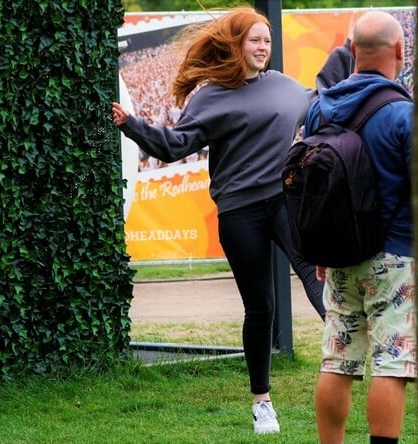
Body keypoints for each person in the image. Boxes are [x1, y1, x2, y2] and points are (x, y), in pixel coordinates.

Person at [112, 7, 354, 435]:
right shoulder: (210, 96)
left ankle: (345, 358)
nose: (263, 48)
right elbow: (173, 145)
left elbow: (323, 98)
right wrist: (132, 125)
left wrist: (349, 50)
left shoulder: (282, 87)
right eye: (255, 40)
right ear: (236, 44)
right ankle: (261, 402)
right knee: (260, 306)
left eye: (267, 41)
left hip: (283, 201)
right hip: (239, 212)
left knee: (317, 277)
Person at [307, 11, 415, 444]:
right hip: (396, 259)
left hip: (338, 257)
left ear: (351, 52)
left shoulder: (319, 110)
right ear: (400, 51)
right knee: (392, 364)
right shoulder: (405, 115)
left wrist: (322, 248)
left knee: (338, 360)